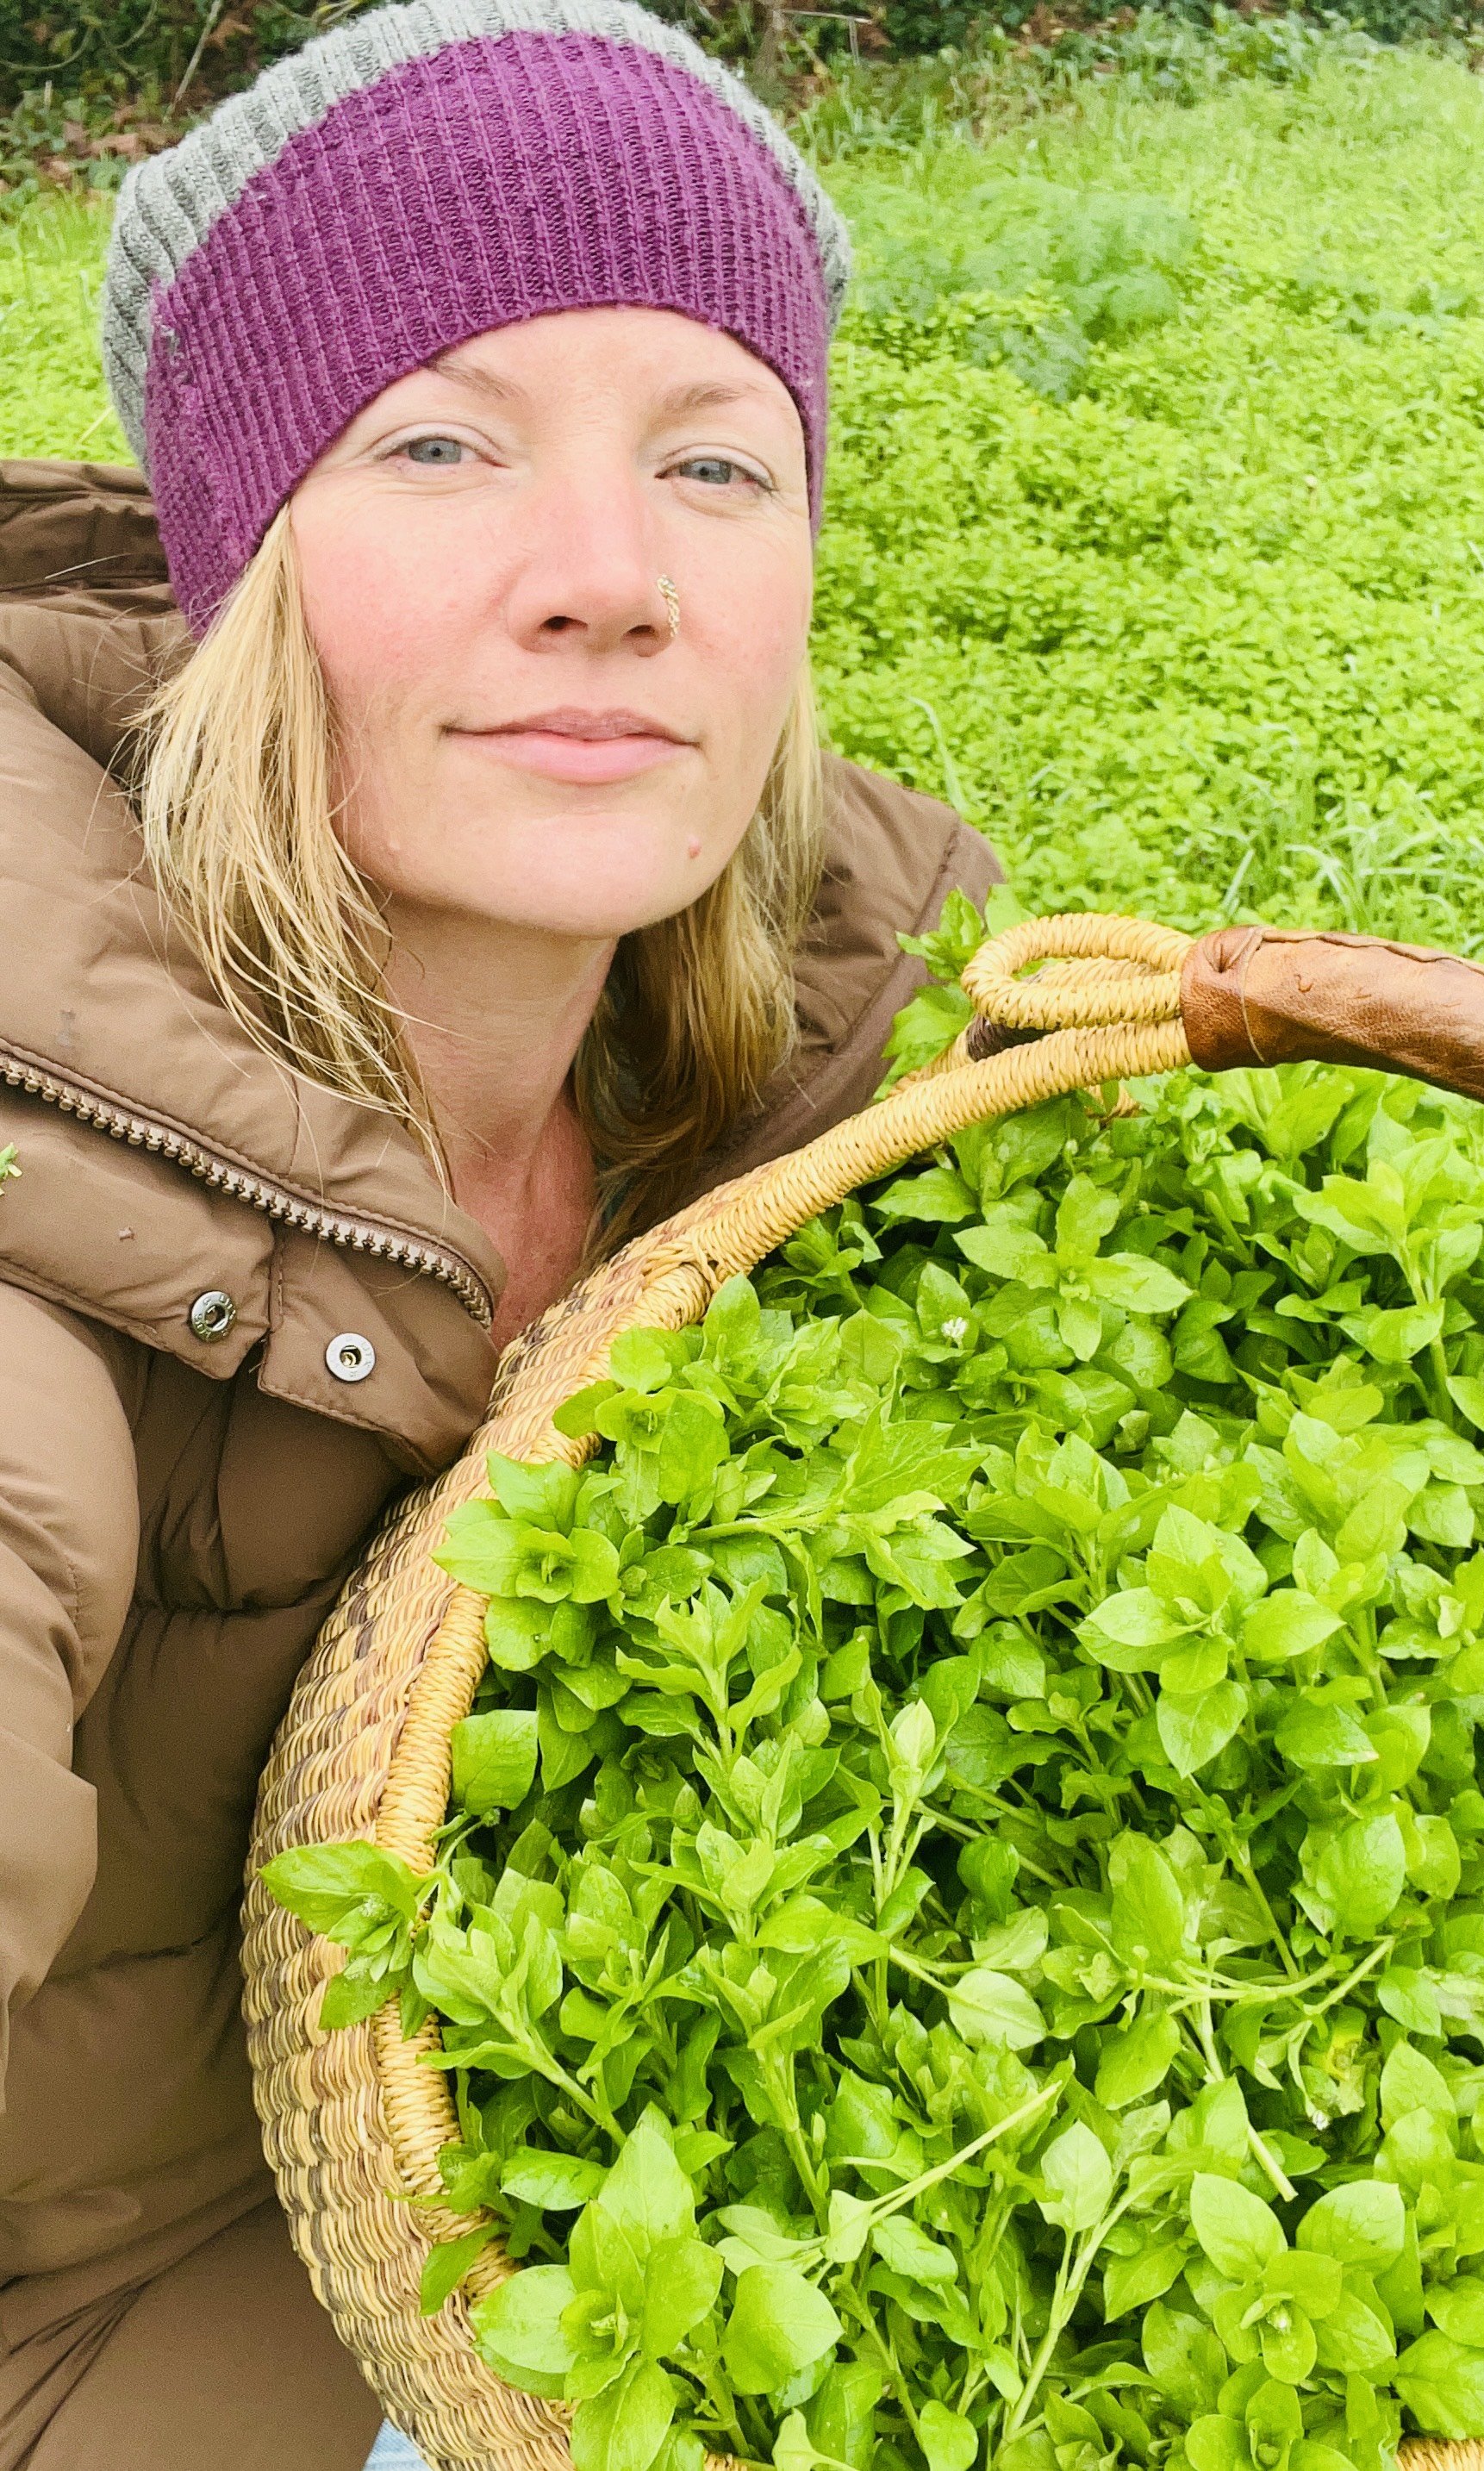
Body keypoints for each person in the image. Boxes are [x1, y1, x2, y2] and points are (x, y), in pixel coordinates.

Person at [0, 2, 999, 2461]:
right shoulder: (55, 1180)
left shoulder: (823, 1085)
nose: (607, 579)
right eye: (436, 442)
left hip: (600, 2229)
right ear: (244, 556)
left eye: (714, 463)